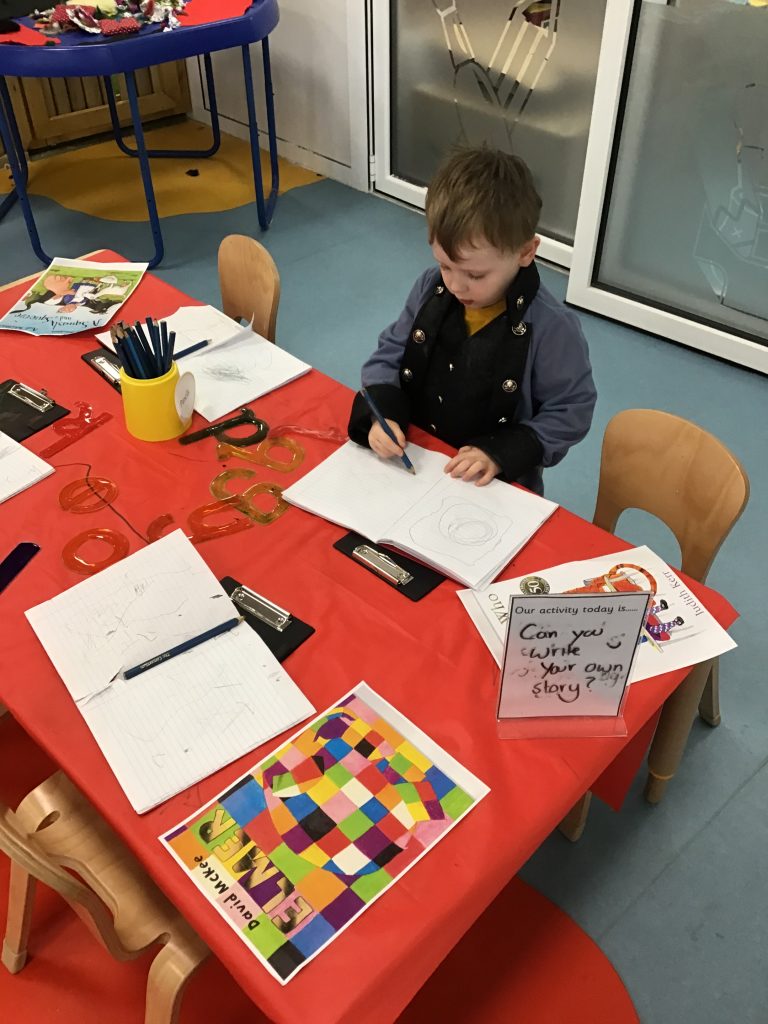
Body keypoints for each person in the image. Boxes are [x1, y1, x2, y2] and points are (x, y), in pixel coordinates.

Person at [347, 147, 597, 493]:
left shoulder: (552, 327)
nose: (455, 285)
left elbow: (571, 408)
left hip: (491, 485)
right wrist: (383, 414)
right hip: (417, 463)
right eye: (445, 265)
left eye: (476, 275)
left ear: (526, 252)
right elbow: (390, 351)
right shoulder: (429, 288)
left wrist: (502, 453)